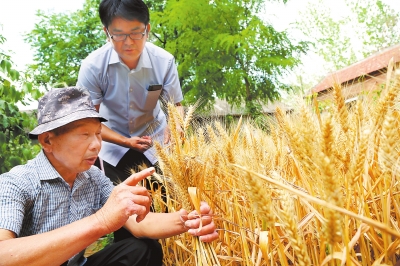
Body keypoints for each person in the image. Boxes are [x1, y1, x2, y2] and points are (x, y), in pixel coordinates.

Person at [0, 87, 218, 266]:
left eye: (97, 134)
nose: (96, 145)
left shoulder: (92, 177)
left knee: (140, 249)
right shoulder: (17, 183)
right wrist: (101, 221)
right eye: (84, 135)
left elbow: (139, 223)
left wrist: (187, 221)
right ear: (47, 141)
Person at [77, 0, 183, 184]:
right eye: (118, 35)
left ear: (147, 29)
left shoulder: (164, 61)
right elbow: (88, 120)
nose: (128, 43)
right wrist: (125, 142)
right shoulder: (93, 66)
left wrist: (176, 125)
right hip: (111, 148)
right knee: (119, 206)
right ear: (107, 33)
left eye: (136, 33)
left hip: (156, 146)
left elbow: (176, 106)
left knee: (163, 205)